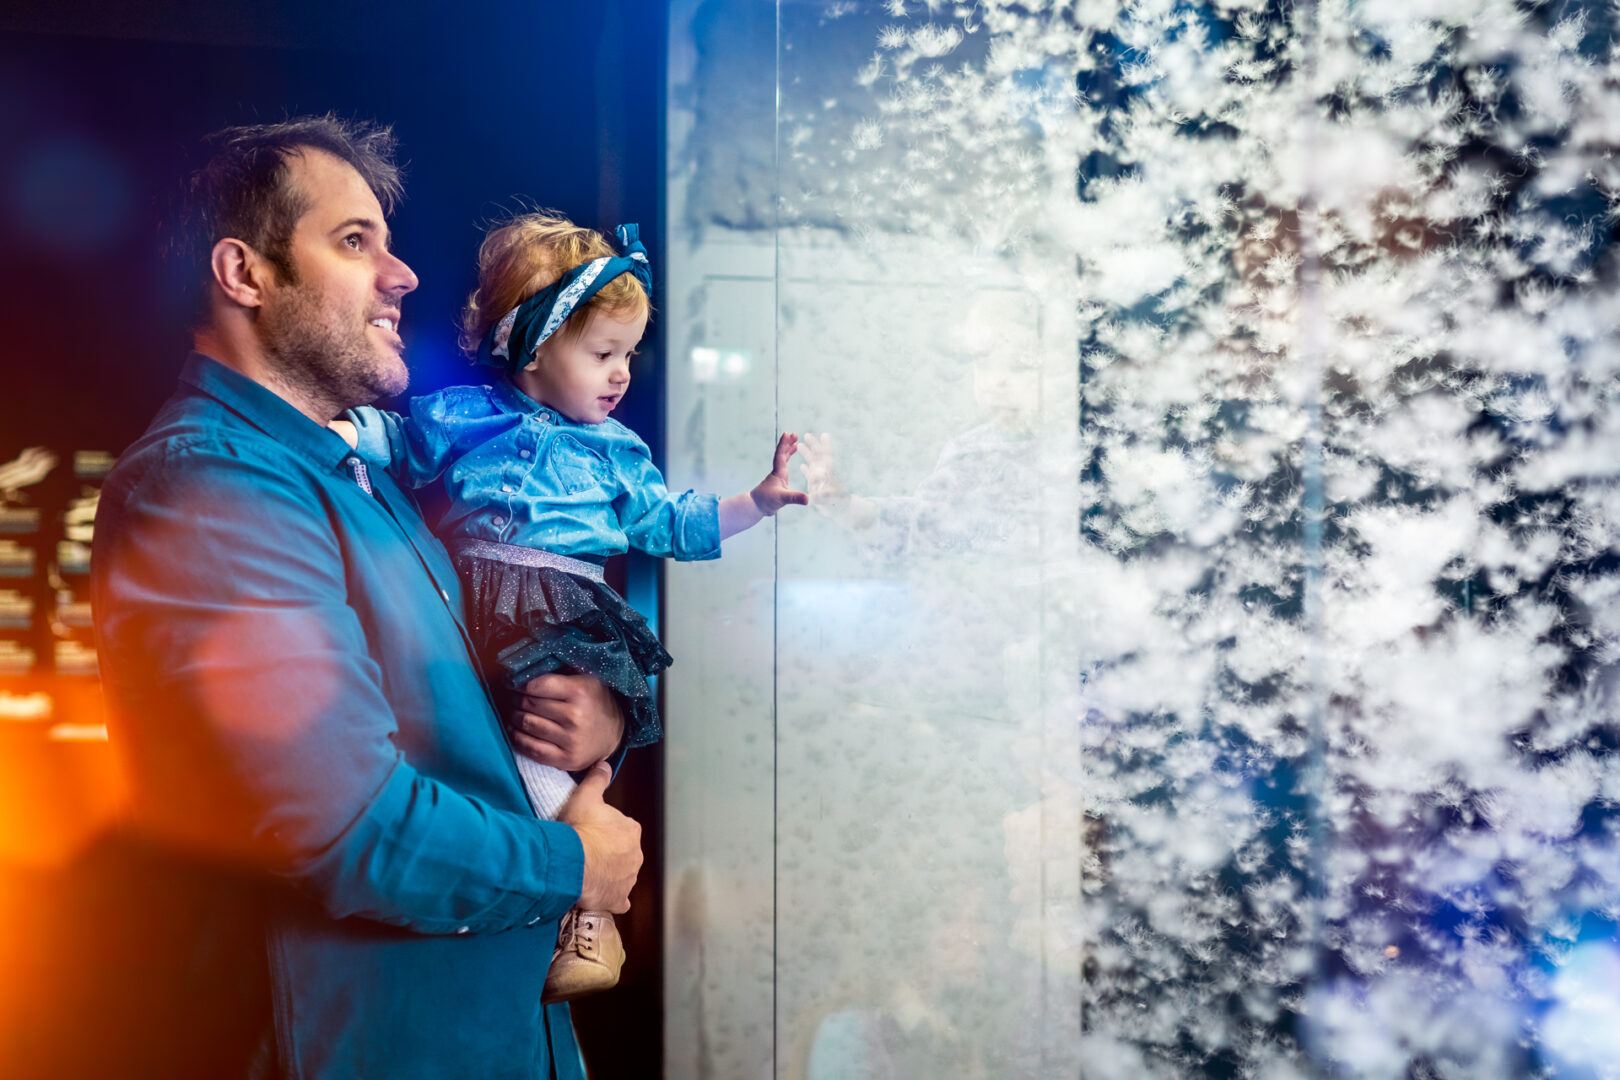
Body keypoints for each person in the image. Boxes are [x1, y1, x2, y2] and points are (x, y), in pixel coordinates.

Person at [90, 115, 640, 1079]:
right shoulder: (212, 485)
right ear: (244, 273)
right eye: (354, 241)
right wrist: (575, 867)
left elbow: (466, 724)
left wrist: (593, 713)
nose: (403, 275)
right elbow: (346, 828)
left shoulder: (360, 480)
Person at [334, 210, 807, 1002]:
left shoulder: (618, 451)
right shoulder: (460, 414)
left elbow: (669, 523)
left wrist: (754, 503)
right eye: (602, 353)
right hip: (465, 601)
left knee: (546, 745)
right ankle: (547, 886)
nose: (621, 375)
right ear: (532, 347)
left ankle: (589, 911)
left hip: (561, 606)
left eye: (628, 355)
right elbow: (395, 441)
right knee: (474, 745)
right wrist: (343, 431)